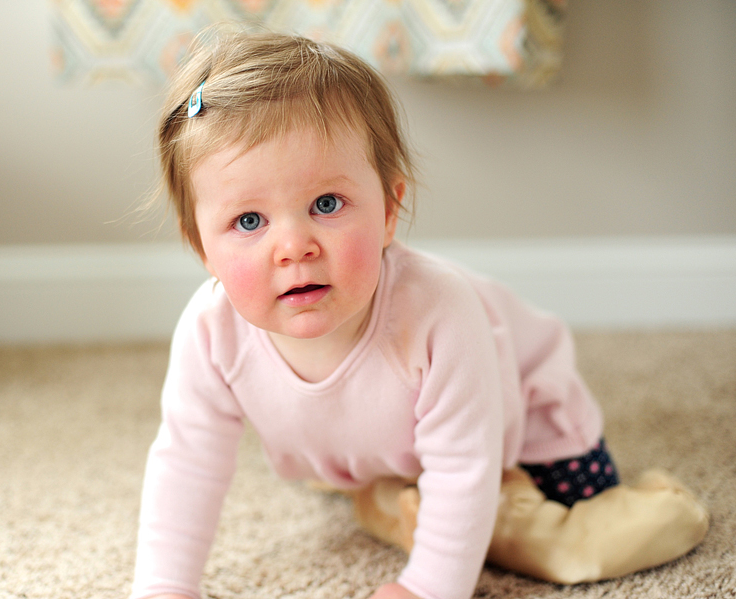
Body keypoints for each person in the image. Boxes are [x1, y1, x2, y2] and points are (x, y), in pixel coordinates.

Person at [131, 30, 707, 599]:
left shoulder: (438, 312)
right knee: (385, 488)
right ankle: (388, 489)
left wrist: (429, 587)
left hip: (518, 423)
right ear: (200, 246)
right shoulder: (210, 331)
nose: (294, 246)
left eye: (326, 205)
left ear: (389, 210)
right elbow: (187, 460)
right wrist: (164, 584)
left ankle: (660, 514)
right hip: (388, 445)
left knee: (549, 540)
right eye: (249, 222)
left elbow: (464, 467)